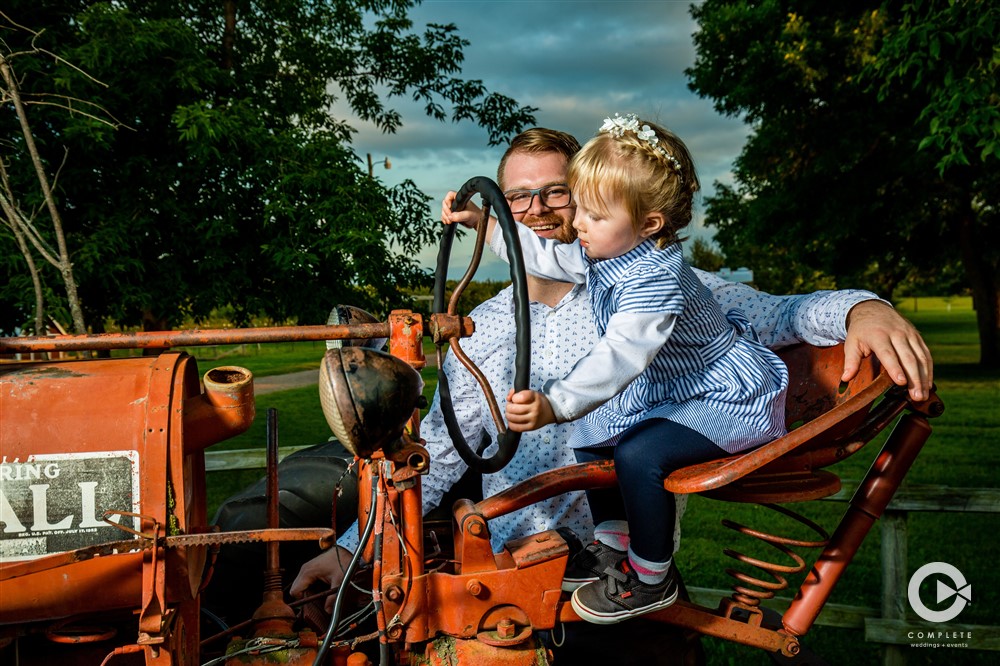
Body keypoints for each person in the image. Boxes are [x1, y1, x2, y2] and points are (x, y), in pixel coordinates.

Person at [289, 126, 932, 653]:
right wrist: (353, 551)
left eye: (557, 193)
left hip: (610, 587)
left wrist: (862, 310)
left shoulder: (651, 284)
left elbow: (786, 314)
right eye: (518, 198)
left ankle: (639, 570)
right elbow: (440, 450)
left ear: (595, 198)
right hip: (501, 580)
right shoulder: (480, 332)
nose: (537, 210)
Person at [451, 113, 794, 624]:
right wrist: (488, 226)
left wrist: (556, 402)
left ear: (649, 222)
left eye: (590, 212)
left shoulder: (656, 279)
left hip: (722, 393)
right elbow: (541, 255)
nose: (578, 225)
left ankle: (652, 577)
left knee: (638, 454)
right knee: (593, 431)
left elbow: (621, 355)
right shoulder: (607, 251)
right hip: (676, 391)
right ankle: (615, 549)